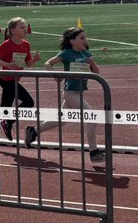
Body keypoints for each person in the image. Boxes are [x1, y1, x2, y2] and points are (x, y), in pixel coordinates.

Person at [41, 27, 104, 163]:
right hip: (70, 93)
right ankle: (94, 152)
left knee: (61, 120)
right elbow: (48, 63)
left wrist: (92, 63)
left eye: (85, 38)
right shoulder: (66, 53)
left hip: (79, 92)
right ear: (72, 41)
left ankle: (34, 131)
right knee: (91, 119)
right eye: (82, 38)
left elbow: (97, 73)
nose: (84, 40)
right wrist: (55, 75)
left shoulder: (86, 54)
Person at [0, 17, 37, 150]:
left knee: (4, 109)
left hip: (15, 79)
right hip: (6, 80)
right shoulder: (7, 44)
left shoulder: (26, 44)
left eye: (25, 27)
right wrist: (8, 65)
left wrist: (34, 60)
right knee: (29, 102)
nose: (25, 29)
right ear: (12, 30)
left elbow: (27, 63)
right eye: (21, 27)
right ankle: (7, 122)